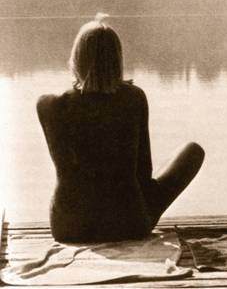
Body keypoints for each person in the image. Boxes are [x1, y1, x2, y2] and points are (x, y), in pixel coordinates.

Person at [36, 14, 205, 243]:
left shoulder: (49, 105)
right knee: (192, 151)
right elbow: (143, 172)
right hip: (128, 225)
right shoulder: (134, 98)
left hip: (69, 228)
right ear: (117, 59)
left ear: (76, 58)